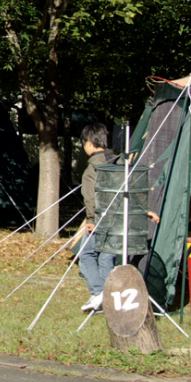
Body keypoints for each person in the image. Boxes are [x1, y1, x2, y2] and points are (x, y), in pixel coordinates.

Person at [76, 122, 116, 312]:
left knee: (86, 254)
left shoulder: (92, 169)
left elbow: (91, 197)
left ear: (90, 142)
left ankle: (99, 293)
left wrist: (90, 220)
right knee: (107, 258)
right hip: (120, 219)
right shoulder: (118, 162)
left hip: (100, 220)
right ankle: (108, 298)